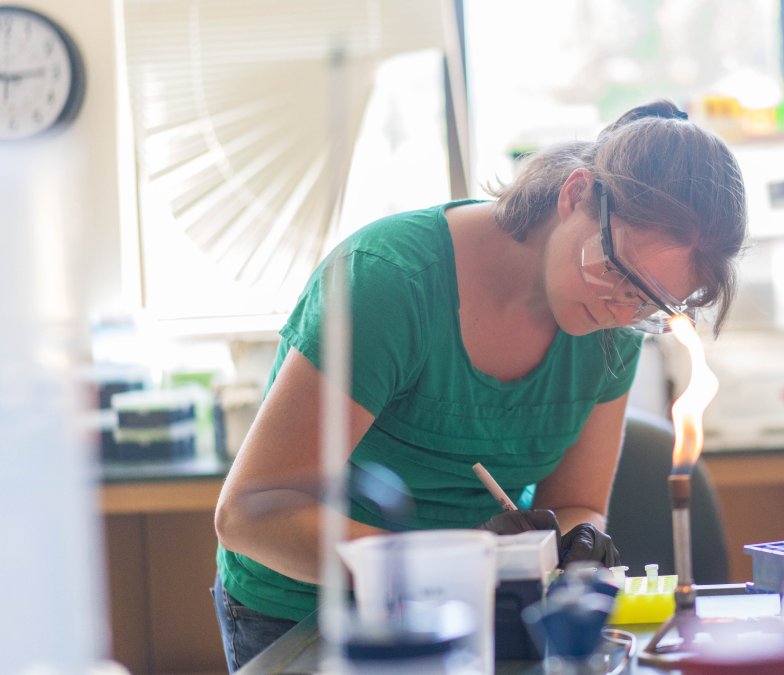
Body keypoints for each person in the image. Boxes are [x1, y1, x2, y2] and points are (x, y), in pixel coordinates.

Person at [211, 99, 748, 671]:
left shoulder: (610, 332)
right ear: (573, 195)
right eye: (613, 269)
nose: (620, 309)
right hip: (314, 614)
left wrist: (573, 543)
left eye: (649, 301)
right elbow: (251, 513)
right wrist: (450, 565)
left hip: (474, 612)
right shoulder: (390, 286)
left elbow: (575, 502)